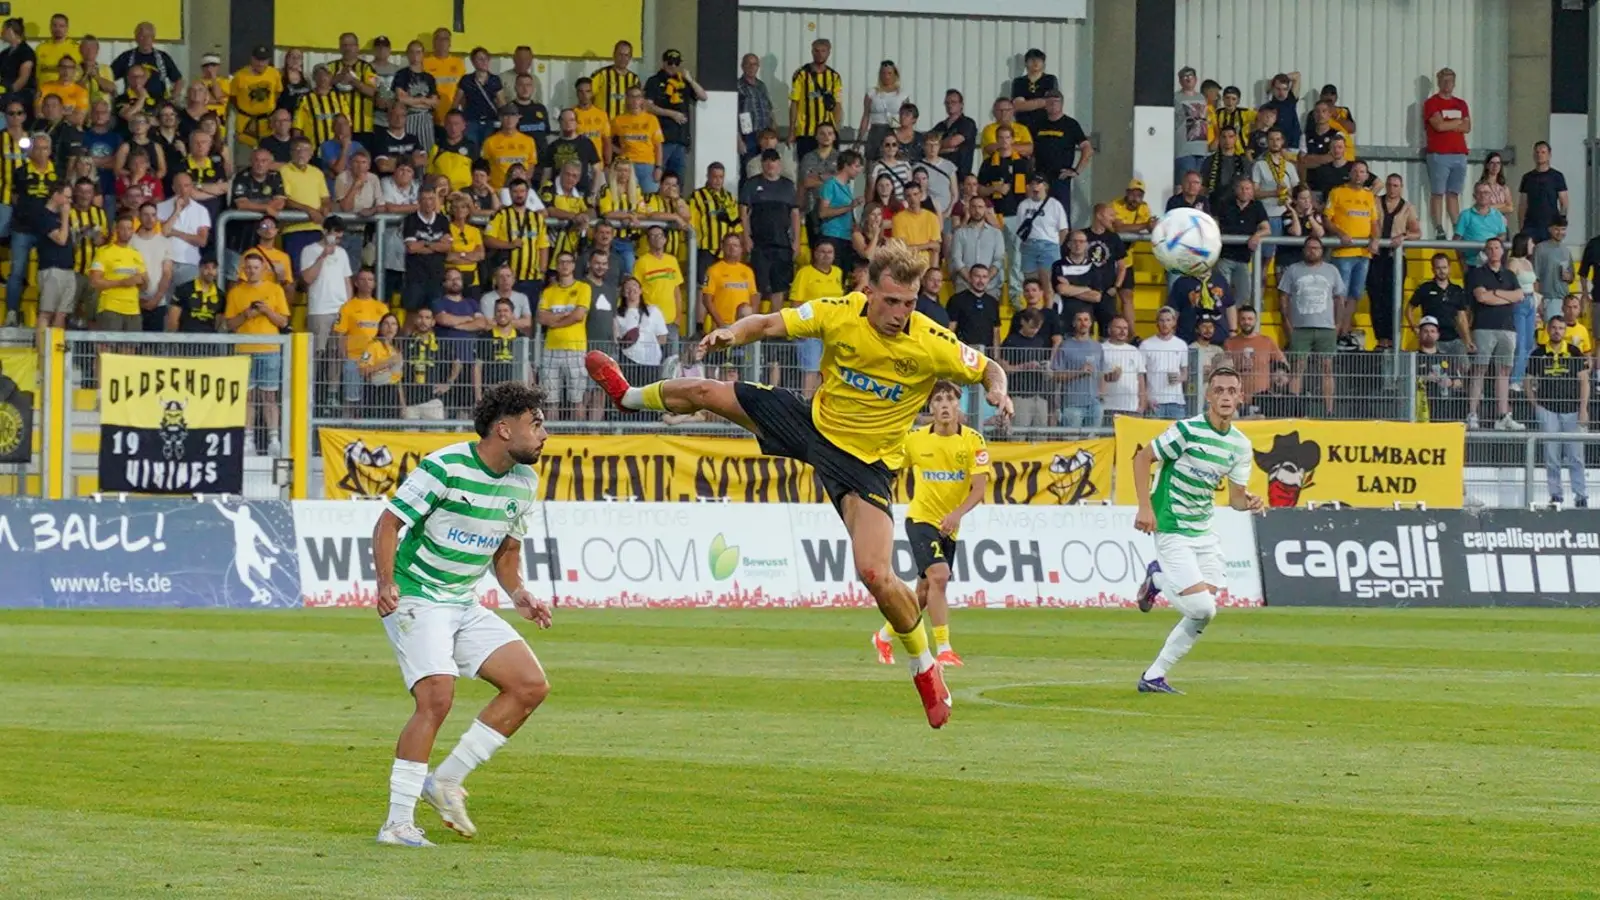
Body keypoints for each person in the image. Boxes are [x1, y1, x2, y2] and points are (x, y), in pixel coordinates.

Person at [585, 241, 1012, 728]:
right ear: (868, 291)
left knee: (876, 573)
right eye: (892, 301)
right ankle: (628, 395)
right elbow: (768, 323)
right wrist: (730, 333)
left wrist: (997, 390)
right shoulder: (839, 312)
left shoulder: (932, 341)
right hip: (812, 424)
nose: (900, 314)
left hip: (865, 464)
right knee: (706, 390)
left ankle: (925, 668)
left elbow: (988, 368)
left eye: (909, 303)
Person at [371, 381, 554, 849]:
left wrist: (519, 593)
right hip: (417, 595)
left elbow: (506, 552)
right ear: (504, 428)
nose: (544, 435)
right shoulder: (445, 466)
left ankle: (446, 780)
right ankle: (397, 824)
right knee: (436, 696)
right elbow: (389, 522)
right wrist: (386, 582)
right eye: (535, 424)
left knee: (529, 686)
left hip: (461, 600)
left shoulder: (524, 481)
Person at [1131, 366, 1262, 695]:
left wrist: (1250, 501)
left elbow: (1235, 500)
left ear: (1241, 397)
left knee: (1204, 611)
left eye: (1231, 391)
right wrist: (1145, 507)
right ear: (1208, 396)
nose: (1225, 396)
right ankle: (1158, 578)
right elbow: (1143, 458)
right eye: (1219, 390)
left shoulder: (1240, 445)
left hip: (1203, 530)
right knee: (1202, 608)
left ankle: (1154, 676)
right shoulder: (1186, 431)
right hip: (1172, 524)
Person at [870, 381, 990, 668]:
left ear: (958, 405)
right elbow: (889, 469)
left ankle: (883, 636)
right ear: (930, 407)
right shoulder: (915, 440)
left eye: (950, 399)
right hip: (920, 519)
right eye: (938, 400)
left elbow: (979, 489)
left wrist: (956, 515)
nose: (945, 404)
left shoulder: (973, 441)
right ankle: (944, 649)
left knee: (923, 593)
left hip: (950, 525)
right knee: (940, 577)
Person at [223, 253, 290, 455]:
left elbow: (283, 322)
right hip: (243, 350)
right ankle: (248, 439)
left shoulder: (275, 289)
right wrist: (246, 314)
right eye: (249, 267)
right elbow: (229, 325)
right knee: (247, 397)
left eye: (255, 267)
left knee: (269, 396)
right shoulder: (235, 292)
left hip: (269, 349)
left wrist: (267, 311)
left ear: (263, 269)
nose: (252, 271)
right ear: (243, 269)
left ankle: (274, 440)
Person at [1526, 314, 1589, 507]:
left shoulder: (1574, 352)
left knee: (1576, 456)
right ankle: (1556, 496)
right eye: (1554, 328)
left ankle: (1580, 496)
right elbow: (1527, 381)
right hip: (1548, 410)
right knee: (1551, 456)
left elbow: (1584, 382)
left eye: (1561, 328)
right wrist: (1535, 405)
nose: (1557, 331)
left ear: (1565, 331)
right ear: (1548, 330)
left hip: (1572, 410)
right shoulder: (1538, 353)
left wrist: (1583, 409)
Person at [1277, 236, 1344, 416]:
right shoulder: (1293, 270)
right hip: (1300, 328)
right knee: (1297, 368)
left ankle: (1329, 411)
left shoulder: (1332, 270)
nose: (1312, 251)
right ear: (1303, 250)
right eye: (1309, 247)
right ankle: (1293, 410)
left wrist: (1338, 324)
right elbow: (1283, 297)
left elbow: (1339, 298)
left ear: (1322, 251)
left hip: (1326, 328)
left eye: (1316, 248)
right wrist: (1287, 322)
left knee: (1327, 369)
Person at [1466, 237, 1526, 431]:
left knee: (1504, 371)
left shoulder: (1509, 274)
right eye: (1490, 248)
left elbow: (1519, 295)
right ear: (1486, 252)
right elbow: (1482, 297)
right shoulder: (1477, 273)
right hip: (1484, 327)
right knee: (1480, 369)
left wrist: (1496, 293)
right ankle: (1472, 413)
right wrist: (1506, 296)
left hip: (1507, 328)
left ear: (1502, 251)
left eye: (1497, 247)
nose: (1493, 251)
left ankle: (1503, 415)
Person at [1324, 161, 1378, 349]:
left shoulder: (1369, 196)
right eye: (1355, 171)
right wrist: (1340, 233)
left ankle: (1344, 333)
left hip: (1363, 253)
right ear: (1350, 173)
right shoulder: (1337, 192)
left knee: (1355, 294)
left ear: (1367, 176)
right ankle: (1334, 333)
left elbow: (1374, 222)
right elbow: (1327, 219)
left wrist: (1375, 238)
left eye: (1362, 172)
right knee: (1340, 295)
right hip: (1343, 253)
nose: (1358, 174)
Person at [538, 251, 593, 421]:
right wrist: (564, 316)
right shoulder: (548, 292)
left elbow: (578, 315)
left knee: (576, 399)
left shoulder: (583, 288)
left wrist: (554, 322)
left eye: (568, 262)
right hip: (551, 349)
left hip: (575, 348)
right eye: (561, 262)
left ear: (574, 265)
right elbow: (541, 318)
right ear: (556, 266)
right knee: (550, 400)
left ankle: (577, 434)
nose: (564, 265)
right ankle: (552, 434)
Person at [1423, 68, 1471, 238]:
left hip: (1459, 153)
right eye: (1444, 80)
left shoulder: (1461, 104)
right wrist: (1457, 122)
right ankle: (1439, 227)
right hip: (1439, 153)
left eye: (1450, 80)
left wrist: (1449, 123)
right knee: (1438, 192)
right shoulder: (1432, 103)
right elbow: (1439, 125)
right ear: (1438, 82)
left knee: (1453, 193)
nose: (1447, 84)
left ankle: (1457, 228)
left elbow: (1467, 127)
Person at [1406, 253, 1473, 367]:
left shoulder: (1457, 290)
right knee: (1434, 371)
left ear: (1449, 268)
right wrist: (1414, 327)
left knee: (1464, 369)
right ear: (1432, 269)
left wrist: (1468, 340)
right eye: (1438, 268)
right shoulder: (1425, 288)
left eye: (1444, 267)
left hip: (1454, 338)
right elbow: (1409, 309)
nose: (1442, 271)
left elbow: (1462, 318)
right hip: (1433, 340)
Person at [1414, 316, 1466, 424]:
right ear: (1419, 334)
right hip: (1421, 409)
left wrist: (1450, 382)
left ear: (1438, 335)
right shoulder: (1412, 358)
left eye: (1432, 331)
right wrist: (1423, 378)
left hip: (1445, 409)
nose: (1429, 334)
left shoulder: (1447, 357)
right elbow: (1404, 381)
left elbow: (1459, 382)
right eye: (1425, 331)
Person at [1141, 307, 1189, 418]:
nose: (1165, 324)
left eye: (1168, 320)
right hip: (1154, 401)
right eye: (1162, 320)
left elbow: (1185, 373)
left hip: (1176, 402)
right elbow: (1140, 375)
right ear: (1157, 323)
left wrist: (1179, 378)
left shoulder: (1181, 344)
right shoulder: (1146, 345)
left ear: (1174, 322)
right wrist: (1146, 398)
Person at [1517, 141, 1568, 244]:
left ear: (1549, 155)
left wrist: (1560, 224)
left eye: (1543, 152)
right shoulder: (1527, 177)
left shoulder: (1557, 176)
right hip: (1531, 225)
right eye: (1537, 152)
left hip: (1550, 225)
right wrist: (1521, 226)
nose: (1539, 155)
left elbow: (1564, 202)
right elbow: (1523, 204)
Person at [1099, 315, 1145, 418]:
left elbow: (1141, 380)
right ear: (1109, 330)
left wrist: (1142, 404)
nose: (1122, 331)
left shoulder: (1134, 351)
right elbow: (1095, 376)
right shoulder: (1101, 349)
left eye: (1125, 328)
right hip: (1108, 407)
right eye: (1118, 328)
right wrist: (1107, 377)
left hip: (1132, 408)